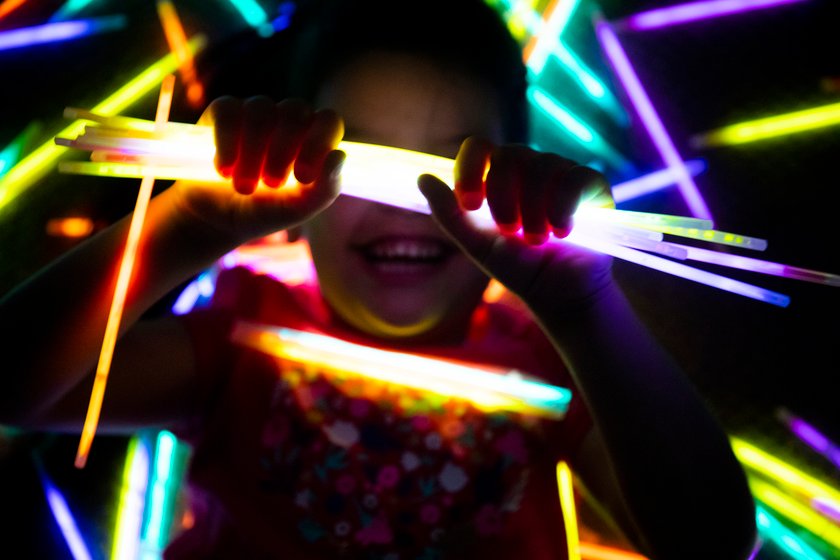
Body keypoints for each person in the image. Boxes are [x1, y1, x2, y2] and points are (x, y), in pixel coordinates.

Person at [0, 0, 758, 558]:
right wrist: (187, 225)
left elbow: (713, 544)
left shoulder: (549, 369)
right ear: (292, 200)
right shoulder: (243, 339)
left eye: (452, 165)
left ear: (518, 184)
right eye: (366, 163)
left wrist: (587, 308)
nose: (413, 205)